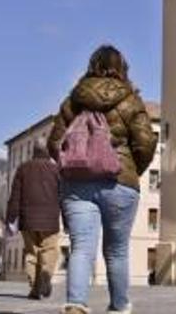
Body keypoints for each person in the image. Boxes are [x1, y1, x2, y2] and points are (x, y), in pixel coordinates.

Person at [48, 45, 157, 314]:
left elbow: (54, 143)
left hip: (77, 183)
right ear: (122, 68)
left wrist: (72, 164)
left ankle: (76, 303)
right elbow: (145, 143)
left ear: (92, 65)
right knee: (117, 250)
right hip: (120, 182)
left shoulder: (73, 100)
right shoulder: (131, 100)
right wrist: (132, 170)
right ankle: (119, 306)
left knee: (81, 247)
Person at [6, 137, 61, 300]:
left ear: (33, 151)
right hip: (50, 221)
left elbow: (15, 195)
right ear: (48, 151)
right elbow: (63, 195)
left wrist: (11, 218)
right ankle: (44, 280)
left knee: (32, 253)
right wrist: (68, 217)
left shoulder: (23, 169)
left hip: (28, 220)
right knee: (49, 250)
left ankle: (35, 289)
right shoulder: (56, 169)